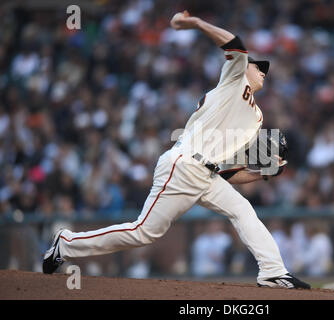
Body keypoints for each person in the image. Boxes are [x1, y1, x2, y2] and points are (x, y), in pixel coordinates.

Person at [43, 10, 310, 289]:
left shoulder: (257, 118)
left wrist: (263, 173)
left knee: (243, 210)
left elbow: (227, 172)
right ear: (245, 69)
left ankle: (272, 271)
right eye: (259, 66)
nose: (263, 71)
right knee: (143, 232)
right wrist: (194, 23)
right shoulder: (234, 81)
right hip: (184, 165)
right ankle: (65, 243)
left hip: (207, 175)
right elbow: (236, 44)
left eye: (265, 68)